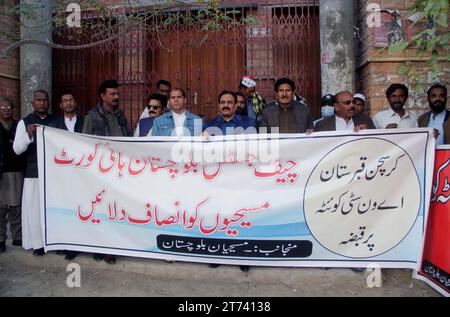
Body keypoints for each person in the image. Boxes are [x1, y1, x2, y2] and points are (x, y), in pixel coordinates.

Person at [83, 80, 131, 264]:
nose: (116, 97)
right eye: (112, 94)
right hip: (100, 172)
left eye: (117, 94)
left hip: (120, 171)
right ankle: (99, 247)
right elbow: (86, 144)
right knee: (100, 211)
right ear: (103, 96)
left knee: (117, 210)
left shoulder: (120, 115)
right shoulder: (91, 117)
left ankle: (114, 246)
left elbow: (128, 137)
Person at [13, 90, 56, 256]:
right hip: (33, 172)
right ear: (33, 103)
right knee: (35, 209)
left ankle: (54, 242)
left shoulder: (55, 121)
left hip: (54, 173)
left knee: (53, 209)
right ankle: (38, 244)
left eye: (45, 100)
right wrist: (28, 134)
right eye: (38, 100)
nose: (42, 103)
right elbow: (17, 149)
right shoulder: (24, 123)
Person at [49, 92, 84, 260]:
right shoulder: (53, 126)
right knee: (67, 211)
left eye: (71, 100)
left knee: (83, 209)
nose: (68, 103)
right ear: (60, 105)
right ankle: (70, 245)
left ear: (75, 103)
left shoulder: (85, 122)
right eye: (65, 101)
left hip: (85, 175)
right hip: (63, 175)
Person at [0, 97, 25, 253]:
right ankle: (1, 239)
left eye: (9, 107)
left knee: (16, 206)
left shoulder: (18, 125)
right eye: (2, 108)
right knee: (1, 208)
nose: (6, 110)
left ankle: (18, 237)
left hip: (17, 170)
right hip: (0, 173)